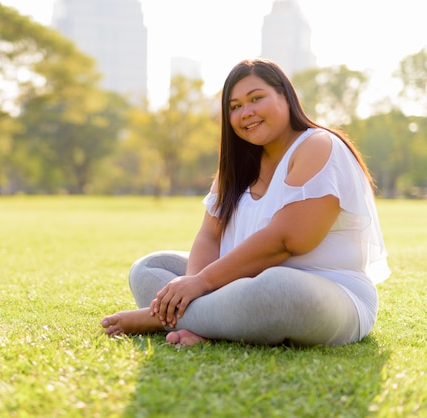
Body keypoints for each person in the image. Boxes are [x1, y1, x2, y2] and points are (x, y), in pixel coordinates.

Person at [101, 58, 390, 347]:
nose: (246, 113)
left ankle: (158, 319)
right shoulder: (236, 165)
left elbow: (288, 240)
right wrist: (190, 285)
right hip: (234, 285)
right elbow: (210, 235)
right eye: (235, 106)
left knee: (278, 288)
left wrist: (201, 283)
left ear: (285, 96)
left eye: (256, 98)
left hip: (326, 293)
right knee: (149, 267)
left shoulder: (318, 145)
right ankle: (205, 323)